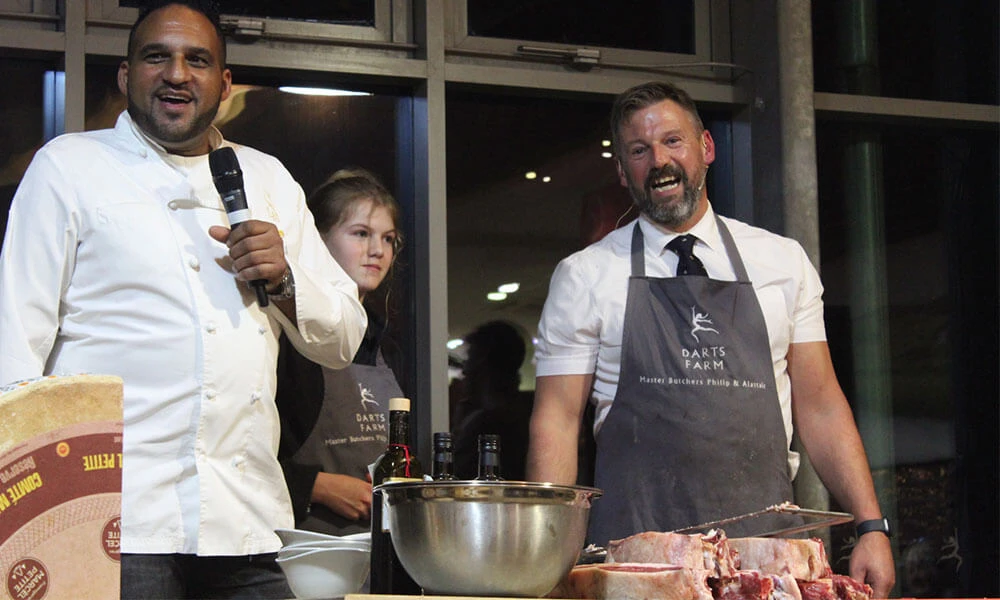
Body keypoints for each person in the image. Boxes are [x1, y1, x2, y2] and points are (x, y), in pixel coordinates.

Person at [0, 1, 368, 598]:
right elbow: (14, 347)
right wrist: (25, 521)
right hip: (114, 520)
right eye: (156, 57)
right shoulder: (70, 167)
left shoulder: (267, 177)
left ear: (224, 84)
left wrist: (284, 282)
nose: (177, 74)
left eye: (197, 60)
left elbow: (343, 337)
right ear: (125, 77)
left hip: (246, 520)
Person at [525, 81, 896, 597]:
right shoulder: (585, 276)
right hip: (635, 565)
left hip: (766, 563)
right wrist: (549, 561)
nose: (659, 161)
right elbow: (558, 421)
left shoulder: (781, 262)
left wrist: (870, 526)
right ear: (622, 170)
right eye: (639, 150)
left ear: (706, 148)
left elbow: (822, 405)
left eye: (673, 142)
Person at [277, 168, 404, 535]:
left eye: (389, 238)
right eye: (361, 234)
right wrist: (316, 486)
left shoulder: (385, 346)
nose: (378, 250)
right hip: (303, 549)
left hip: (378, 551)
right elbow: (236, 457)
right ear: (316, 241)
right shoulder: (286, 337)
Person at [450, 320, 534, 480]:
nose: (465, 370)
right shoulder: (524, 414)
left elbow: (460, 478)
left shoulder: (489, 422)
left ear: (483, 364)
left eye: (470, 359)